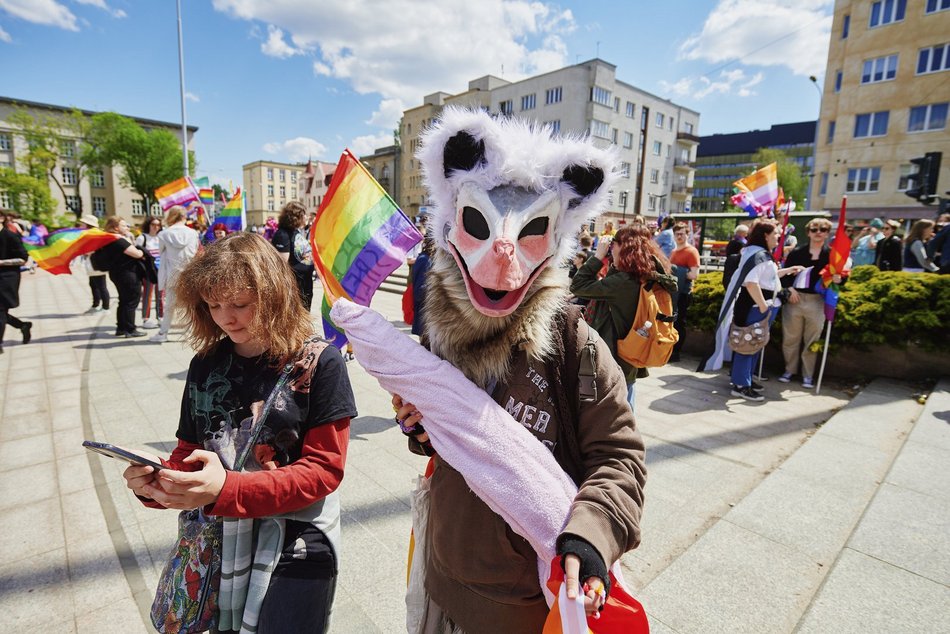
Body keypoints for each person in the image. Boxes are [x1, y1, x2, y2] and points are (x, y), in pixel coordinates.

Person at [121, 233, 356, 633]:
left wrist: (227, 489)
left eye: (240, 305)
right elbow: (189, 452)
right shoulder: (205, 364)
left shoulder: (322, 364)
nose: (226, 318)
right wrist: (158, 482)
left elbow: (324, 471)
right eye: (213, 305)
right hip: (218, 540)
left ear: (275, 295)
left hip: (296, 538)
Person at [571, 225, 677, 411]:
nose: (611, 247)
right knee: (627, 404)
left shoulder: (623, 282)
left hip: (613, 360)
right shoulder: (645, 276)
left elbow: (578, 285)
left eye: (615, 244)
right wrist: (614, 263)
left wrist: (597, 257)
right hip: (629, 356)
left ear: (625, 248)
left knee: (615, 414)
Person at [730, 221, 803, 400]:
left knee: (754, 344)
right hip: (755, 307)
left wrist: (787, 270)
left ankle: (746, 379)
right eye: (776, 233)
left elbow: (767, 277)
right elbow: (751, 282)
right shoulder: (757, 254)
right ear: (765, 235)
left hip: (759, 306)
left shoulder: (758, 253)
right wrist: (763, 305)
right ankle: (741, 385)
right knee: (747, 344)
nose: (779, 237)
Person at [779, 217, 840, 389]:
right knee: (790, 338)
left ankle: (808, 375)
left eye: (823, 229)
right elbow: (784, 275)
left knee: (812, 340)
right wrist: (789, 289)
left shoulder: (832, 255)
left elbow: (841, 278)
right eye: (814, 229)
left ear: (827, 233)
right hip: (795, 300)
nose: (818, 233)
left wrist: (839, 279)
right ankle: (789, 370)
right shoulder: (797, 253)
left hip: (818, 301)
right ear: (808, 232)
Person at [150, 206, 201, 343]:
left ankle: (163, 333)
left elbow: (161, 252)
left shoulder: (164, 234)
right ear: (184, 217)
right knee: (190, 306)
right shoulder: (193, 233)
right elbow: (195, 252)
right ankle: (190, 333)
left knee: (169, 306)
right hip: (188, 274)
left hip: (172, 274)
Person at [98, 216, 146, 337]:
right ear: (116, 227)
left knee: (124, 300)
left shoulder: (109, 240)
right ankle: (130, 329)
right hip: (128, 274)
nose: (127, 227)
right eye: (124, 225)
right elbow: (137, 254)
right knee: (131, 301)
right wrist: (142, 251)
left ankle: (121, 328)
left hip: (117, 273)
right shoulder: (118, 240)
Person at [271, 201, 315, 311]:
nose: (306, 217)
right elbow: (281, 265)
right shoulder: (283, 235)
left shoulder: (295, 232)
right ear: (296, 216)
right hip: (295, 288)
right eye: (304, 214)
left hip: (304, 284)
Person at [0, 213, 32, 353]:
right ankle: (22, 325)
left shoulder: (10, 236)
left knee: (0, 310)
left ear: (1, 218)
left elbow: (23, 258)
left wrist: (1, 262)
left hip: (6, 278)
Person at [669, 221, 700, 363]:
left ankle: (676, 352)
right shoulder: (674, 251)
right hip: (674, 292)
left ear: (687, 235)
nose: (679, 236)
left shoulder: (692, 251)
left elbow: (694, 275)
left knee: (679, 322)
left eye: (682, 234)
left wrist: (677, 272)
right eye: (677, 234)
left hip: (683, 293)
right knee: (672, 321)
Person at [135, 216, 164, 329]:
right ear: (148, 225)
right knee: (147, 294)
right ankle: (146, 318)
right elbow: (137, 254)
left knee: (160, 295)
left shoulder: (161, 237)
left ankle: (160, 317)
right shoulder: (142, 238)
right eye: (153, 224)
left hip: (161, 270)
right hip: (148, 271)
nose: (155, 227)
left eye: (158, 225)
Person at [77, 214, 109, 314]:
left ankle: (106, 307)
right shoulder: (89, 234)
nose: (81, 225)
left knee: (101, 285)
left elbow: (96, 248)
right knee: (93, 284)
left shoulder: (95, 234)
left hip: (97, 263)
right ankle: (96, 304)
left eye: (83, 223)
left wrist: (86, 251)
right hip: (91, 263)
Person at [410, 236, 434, 337]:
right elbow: (420, 290)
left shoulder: (425, 259)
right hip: (423, 315)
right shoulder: (424, 260)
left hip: (425, 315)